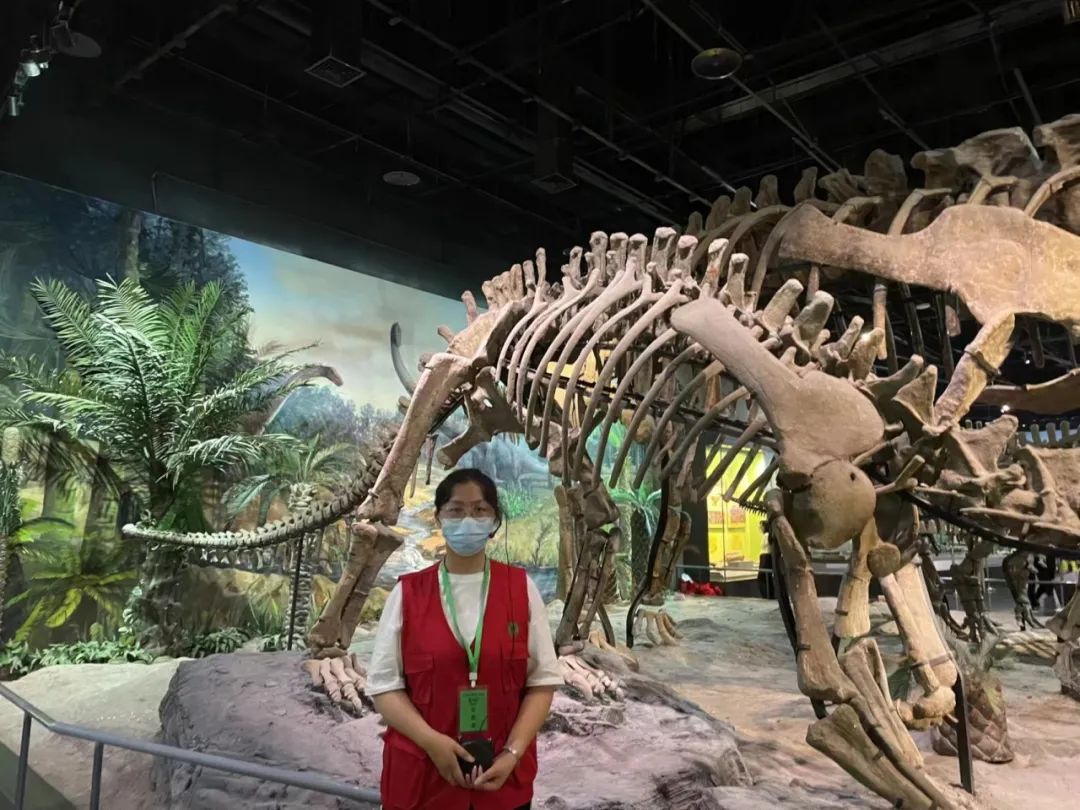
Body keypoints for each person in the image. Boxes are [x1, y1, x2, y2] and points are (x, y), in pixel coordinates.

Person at [368, 468, 562, 810]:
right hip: (422, 782)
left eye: (479, 510)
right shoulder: (407, 594)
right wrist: (432, 742)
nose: (468, 520)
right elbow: (385, 687)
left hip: (502, 780)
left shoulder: (521, 589)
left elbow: (542, 682)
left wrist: (513, 752)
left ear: (495, 520)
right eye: (456, 510)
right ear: (439, 517)